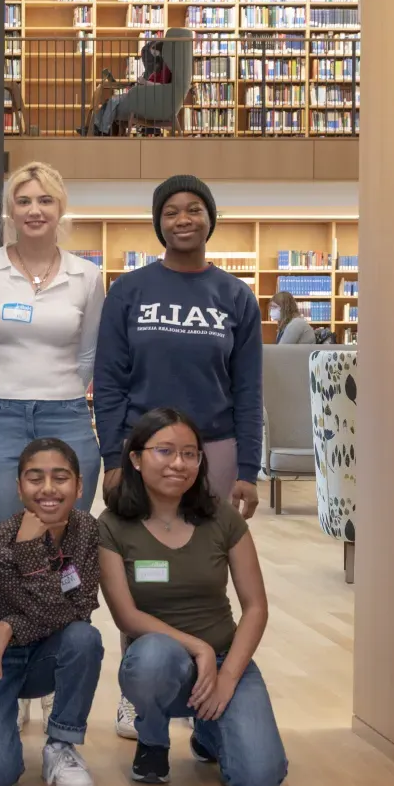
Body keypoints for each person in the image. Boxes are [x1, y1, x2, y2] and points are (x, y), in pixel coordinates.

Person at [94, 174, 262, 740]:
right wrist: (114, 456)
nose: (183, 218)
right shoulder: (129, 291)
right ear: (158, 222)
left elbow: (249, 389)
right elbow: (109, 380)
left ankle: (207, 680)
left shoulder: (234, 296)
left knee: (202, 565)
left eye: (194, 209)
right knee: (141, 566)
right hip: (142, 447)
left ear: (209, 219)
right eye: (171, 211)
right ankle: (137, 691)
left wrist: (247, 468)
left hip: (210, 450)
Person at [97, 407, 287, 786]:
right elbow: (127, 617)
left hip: (224, 660)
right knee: (154, 656)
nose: (178, 464)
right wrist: (197, 647)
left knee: (260, 777)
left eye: (190, 453)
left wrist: (228, 675)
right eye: (164, 451)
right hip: (158, 661)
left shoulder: (221, 518)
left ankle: (208, 731)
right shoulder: (112, 525)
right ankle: (153, 740)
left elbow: (255, 606)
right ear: (135, 458)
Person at [0, 160, 104, 535]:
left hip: (68, 416)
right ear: (11, 211)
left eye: (45, 200)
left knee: (67, 538)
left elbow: (88, 354)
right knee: (3, 540)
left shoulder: (87, 276)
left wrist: (60, 389)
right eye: (23, 201)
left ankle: (64, 598)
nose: (34, 210)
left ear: (60, 208)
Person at [0, 438, 105, 786]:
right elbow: (50, 607)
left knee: (84, 637)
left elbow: (79, 607)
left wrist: (8, 624)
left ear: (80, 486)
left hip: (44, 653)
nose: (49, 489)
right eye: (35, 478)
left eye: (61, 477)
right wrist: (27, 549)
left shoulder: (86, 531)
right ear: (19, 487)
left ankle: (61, 745)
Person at [82, 39, 170, 136]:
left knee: (113, 101)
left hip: (143, 97)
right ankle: (95, 127)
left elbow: (163, 87)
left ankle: (101, 130)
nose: (153, 57)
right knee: (109, 102)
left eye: (155, 53)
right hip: (140, 93)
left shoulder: (165, 69)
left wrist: (144, 82)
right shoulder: (157, 68)